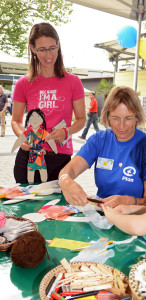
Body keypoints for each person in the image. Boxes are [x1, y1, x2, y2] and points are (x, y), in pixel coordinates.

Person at [59, 86, 146, 207]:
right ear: (107, 117)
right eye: (115, 118)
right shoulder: (99, 140)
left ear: (137, 117)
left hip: (135, 219)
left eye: (128, 118)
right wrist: (66, 181)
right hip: (103, 214)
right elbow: (69, 170)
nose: (121, 126)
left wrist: (128, 202)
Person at [11, 22, 85, 184]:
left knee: (57, 208)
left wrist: (66, 132)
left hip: (60, 158)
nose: (48, 54)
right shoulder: (23, 83)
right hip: (30, 156)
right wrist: (22, 136)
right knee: (27, 207)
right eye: (42, 50)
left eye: (52, 48)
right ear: (33, 49)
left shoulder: (73, 82)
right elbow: (16, 120)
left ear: (58, 45)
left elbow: (81, 120)